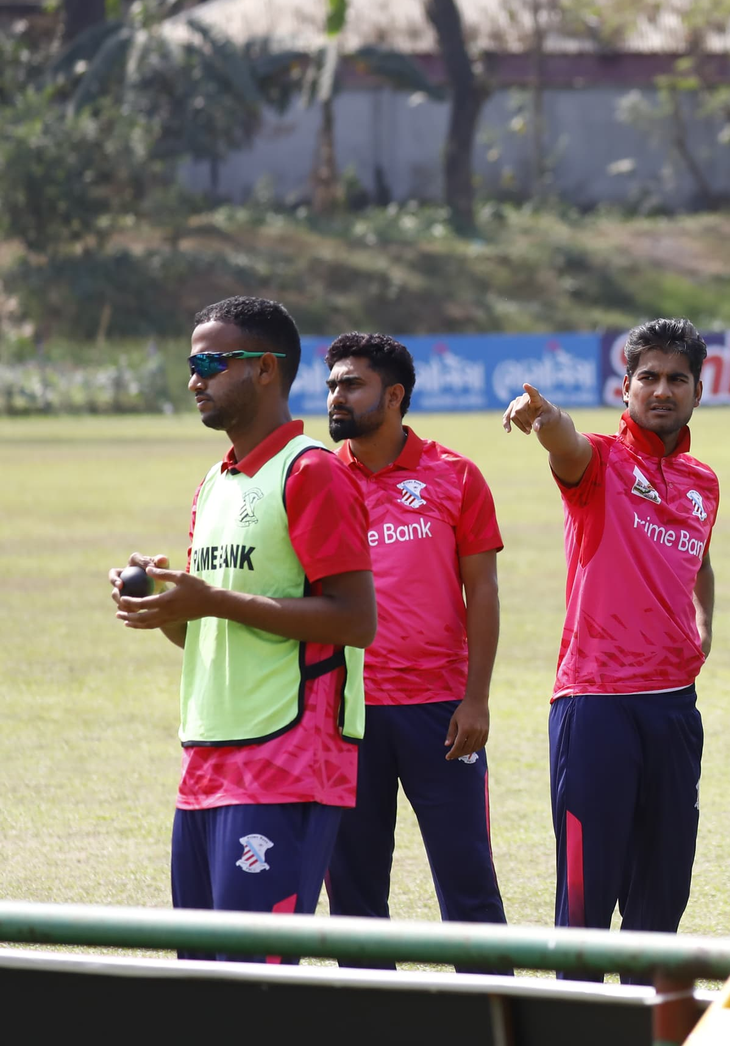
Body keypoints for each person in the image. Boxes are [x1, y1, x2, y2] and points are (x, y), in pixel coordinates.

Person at [107, 297, 374, 951]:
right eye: (191, 362)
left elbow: (356, 619)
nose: (195, 377)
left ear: (264, 370)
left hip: (287, 759)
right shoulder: (214, 485)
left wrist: (212, 602)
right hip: (206, 760)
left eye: (210, 361)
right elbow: (206, 628)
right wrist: (170, 609)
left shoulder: (311, 472)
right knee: (202, 979)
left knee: (254, 985)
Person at [502, 318, 720, 970]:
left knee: (661, 904)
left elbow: (700, 560)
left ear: (696, 392)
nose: (661, 390)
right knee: (585, 906)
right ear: (624, 387)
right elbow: (564, 443)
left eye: (676, 378)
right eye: (647, 377)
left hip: (675, 711)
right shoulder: (598, 461)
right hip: (595, 708)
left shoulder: (704, 481)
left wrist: (704, 621)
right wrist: (546, 418)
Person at [323, 333, 507, 950]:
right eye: (332, 386)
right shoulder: (314, 480)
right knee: (353, 895)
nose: (336, 398)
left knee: (469, 885)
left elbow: (482, 591)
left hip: (440, 713)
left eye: (352, 385)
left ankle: (494, 1015)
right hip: (345, 714)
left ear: (394, 395)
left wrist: (475, 699)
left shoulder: (455, 475)